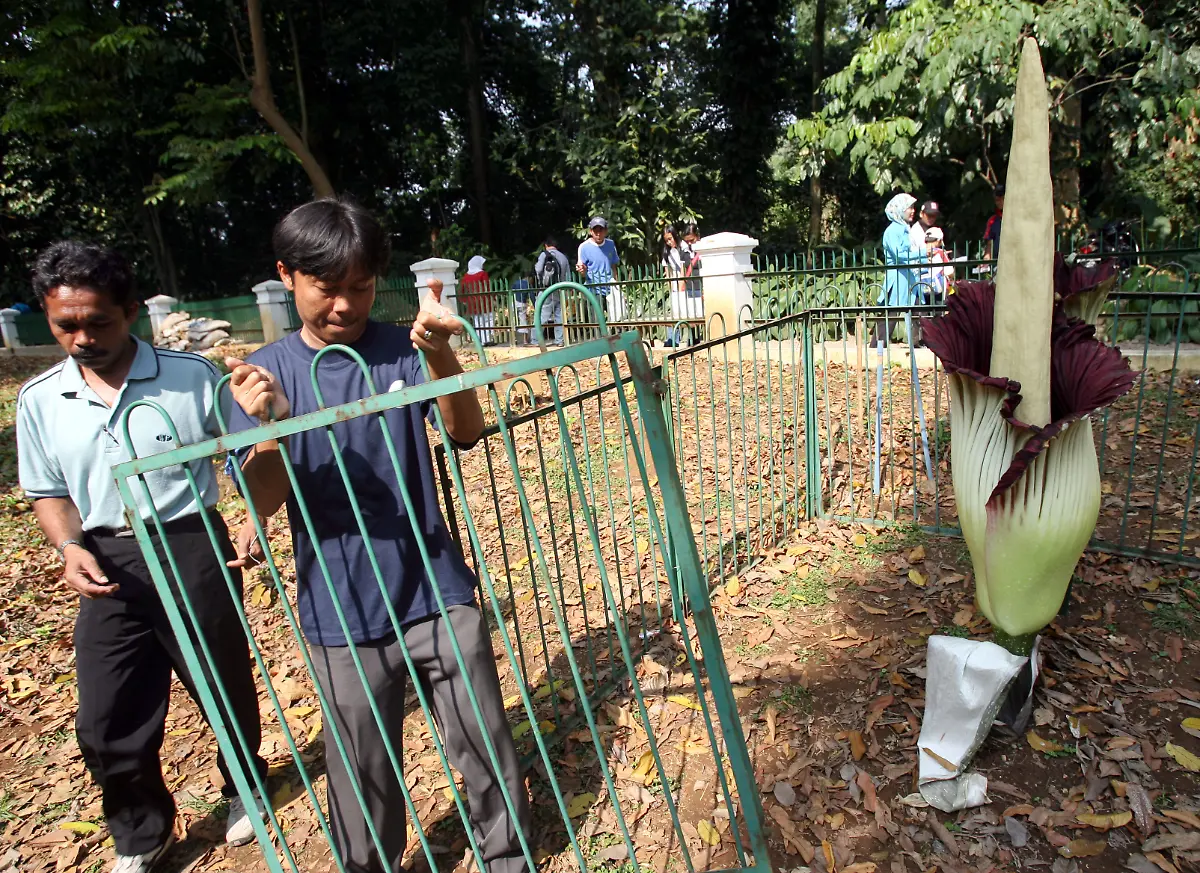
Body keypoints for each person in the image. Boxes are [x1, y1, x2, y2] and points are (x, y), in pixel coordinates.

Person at [224, 197, 531, 873]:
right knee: (361, 767)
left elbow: (464, 430)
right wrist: (272, 427)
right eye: (327, 288)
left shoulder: (400, 349)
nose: (344, 305)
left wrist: (441, 353)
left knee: (482, 739)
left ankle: (506, 857)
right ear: (288, 275)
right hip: (341, 607)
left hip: (434, 585)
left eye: (359, 288)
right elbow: (264, 499)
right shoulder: (262, 375)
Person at [16, 242, 269, 873]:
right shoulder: (41, 399)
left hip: (191, 542)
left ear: (130, 311)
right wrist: (69, 546)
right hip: (109, 559)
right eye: (64, 325)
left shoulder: (188, 376)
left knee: (221, 682)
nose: (81, 339)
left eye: (97, 322)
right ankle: (141, 830)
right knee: (106, 713)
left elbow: (246, 451)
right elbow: (47, 491)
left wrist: (251, 519)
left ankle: (245, 786)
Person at [874, 193, 922, 344]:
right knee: (890, 316)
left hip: (908, 278)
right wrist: (922, 253)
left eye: (913, 207)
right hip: (898, 279)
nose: (913, 211)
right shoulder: (894, 230)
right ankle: (877, 348)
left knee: (919, 312)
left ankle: (921, 345)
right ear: (900, 209)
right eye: (909, 207)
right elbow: (899, 255)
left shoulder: (904, 228)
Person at [575, 216, 621, 324]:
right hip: (594, 289)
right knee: (597, 322)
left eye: (601, 230)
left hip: (610, 288)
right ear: (591, 231)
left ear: (606, 231)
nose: (598, 234)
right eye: (595, 231)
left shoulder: (611, 244)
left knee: (616, 320)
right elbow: (582, 270)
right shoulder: (584, 247)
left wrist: (616, 284)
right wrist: (582, 270)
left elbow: (613, 265)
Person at [661, 225, 695, 346]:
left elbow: (683, 267)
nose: (669, 242)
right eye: (666, 240)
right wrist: (670, 284)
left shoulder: (683, 247)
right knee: (674, 311)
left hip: (684, 280)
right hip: (674, 281)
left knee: (688, 311)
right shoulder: (667, 251)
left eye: (670, 238)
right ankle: (673, 339)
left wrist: (682, 284)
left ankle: (691, 338)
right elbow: (666, 268)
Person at [534, 237, 571, 345]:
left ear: (546, 245)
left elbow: (538, 269)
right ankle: (560, 340)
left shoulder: (544, 254)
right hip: (560, 289)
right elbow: (568, 275)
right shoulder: (563, 257)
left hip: (547, 289)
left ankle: (536, 340)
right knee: (559, 316)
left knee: (541, 314)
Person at [461, 254, 493, 344]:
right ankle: (487, 339)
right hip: (484, 301)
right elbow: (487, 287)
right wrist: (493, 298)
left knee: (477, 322)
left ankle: (480, 341)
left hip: (471, 302)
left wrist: (464, 300)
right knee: (488, 320)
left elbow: (462, 289)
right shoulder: (482, 273)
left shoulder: (466, 276)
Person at [925, 227, 955, 301]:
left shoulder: (919, 253)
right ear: (939, 240)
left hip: (923, 288)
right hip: (938, 289)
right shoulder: (940, 253)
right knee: (938, 310)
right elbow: (950, 272)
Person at [984, 184, 1005, 261]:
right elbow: (989, 243)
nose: (999, 202)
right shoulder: (992, 220)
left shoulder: (1016, 218)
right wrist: (986, 257)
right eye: (997, 200)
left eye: (1001, 199)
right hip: (997, 262)